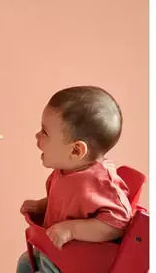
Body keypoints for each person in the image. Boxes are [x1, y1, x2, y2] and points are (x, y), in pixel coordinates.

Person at [16, 86, 132, 273]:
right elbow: (72, 204)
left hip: (74, 263)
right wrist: (42, 205)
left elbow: (117, 224)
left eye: (44, 132)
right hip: (54, 252)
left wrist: (72, 230)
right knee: (24, 263)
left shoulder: (99, 183)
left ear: (76, 150)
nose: (37, 136)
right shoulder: (66, 171)